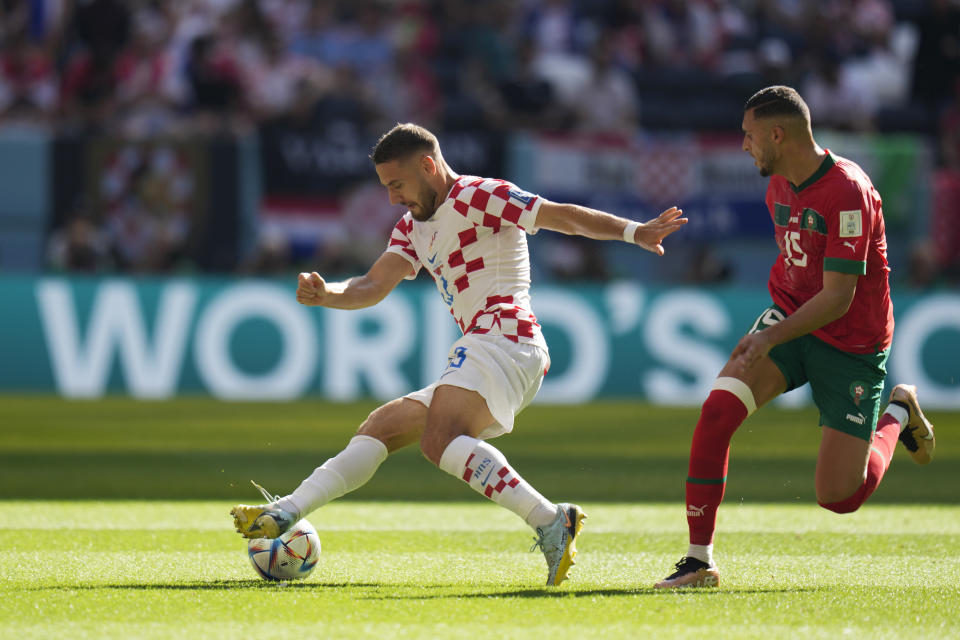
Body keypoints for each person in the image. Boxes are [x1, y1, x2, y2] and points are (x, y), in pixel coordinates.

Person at [231, 122, 687, 586]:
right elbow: (371, 284)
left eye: (397, 185)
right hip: (489, 345)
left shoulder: (479, 197)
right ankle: (286, 512)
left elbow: (560, 216)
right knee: (382, 427)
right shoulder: (412, 227)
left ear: (428, 166)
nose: (392, 198)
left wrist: (635, 232)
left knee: (439, 440)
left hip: (506, 336)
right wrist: (328, 292)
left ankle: (551, 520)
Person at [654, 85, 936, 590]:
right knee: (717, 412)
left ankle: (898, 411)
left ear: (777, 135)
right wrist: (774, 331)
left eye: (749, 135)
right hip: (789, 318)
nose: (744, 146)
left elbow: (838, 298)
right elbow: (799, 266)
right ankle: (699, 563)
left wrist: (768, 338)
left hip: (851, 342)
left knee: (839, 496)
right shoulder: (778, 185)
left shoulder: (848, 191)